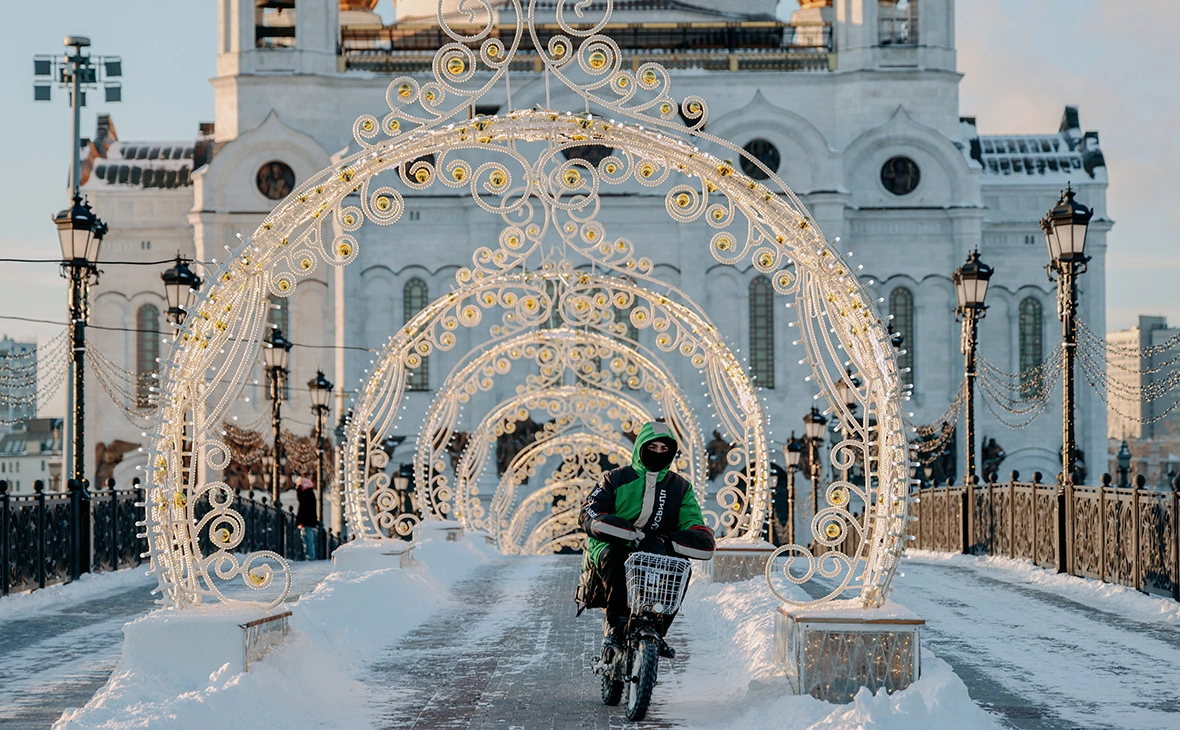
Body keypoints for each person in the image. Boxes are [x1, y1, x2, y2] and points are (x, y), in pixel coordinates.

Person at [577, 421, 715, 651]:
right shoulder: (615, 478)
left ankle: (658, 628)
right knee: (615, 556)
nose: (658, 452)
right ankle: (616, 627)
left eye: (664, 449)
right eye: (653, 447)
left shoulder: (680, 487)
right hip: (614, 543)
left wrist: (674, 540)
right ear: (641, 447)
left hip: (656, 548)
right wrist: (629, 534)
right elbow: (590, 511)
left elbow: (692, 520)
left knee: (681, 566)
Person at [295, 476, 319, 560]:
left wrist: (298, 489)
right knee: (309, 540)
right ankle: (310, 556)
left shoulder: (305, 494)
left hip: (306, 521)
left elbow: (301, 501)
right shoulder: (310, 494)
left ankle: (310, 557)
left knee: (307, 540)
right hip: (309, 521)